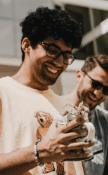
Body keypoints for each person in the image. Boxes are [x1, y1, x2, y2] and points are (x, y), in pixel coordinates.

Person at [0, 7, 94, 175]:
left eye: (66, 55)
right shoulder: (3, 92)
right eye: (52, 50)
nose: (59, 62)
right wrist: (40, 152)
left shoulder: (68, 107)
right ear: (27, 45)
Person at [64, 55, 108, 175]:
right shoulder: (52, 109)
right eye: (95, 84)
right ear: (79, 76)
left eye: (106, 90)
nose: (98, 94)